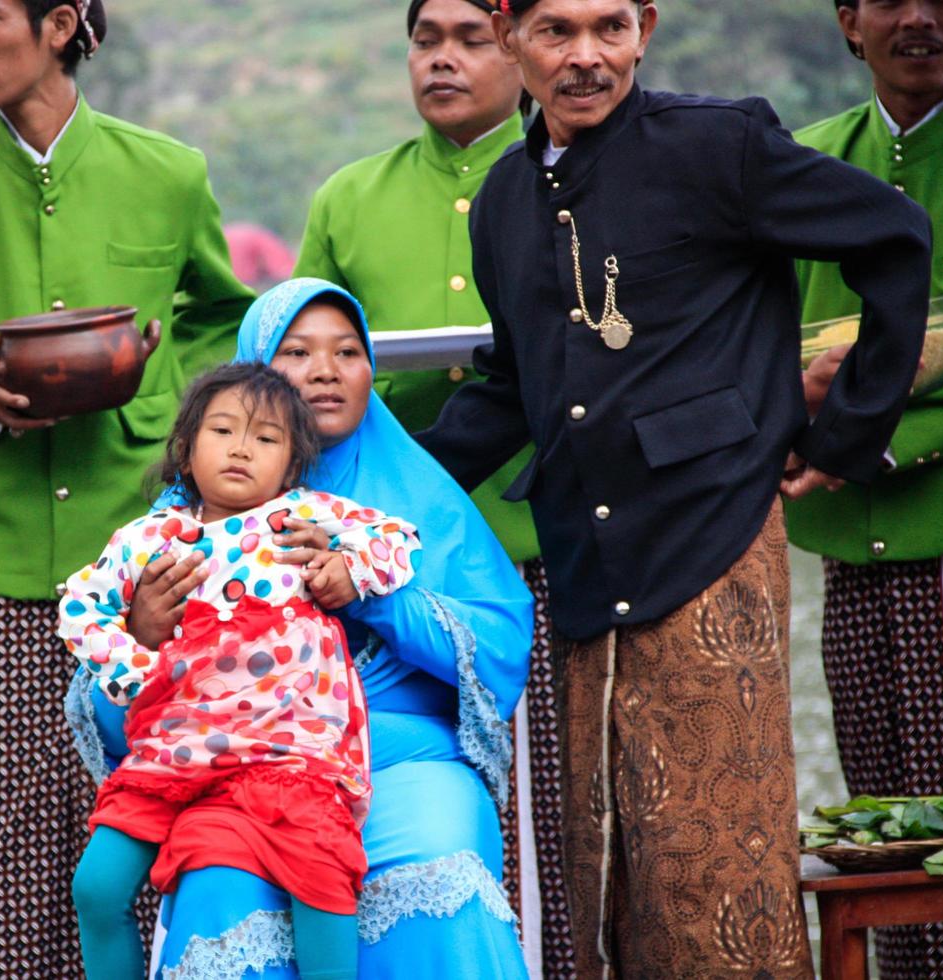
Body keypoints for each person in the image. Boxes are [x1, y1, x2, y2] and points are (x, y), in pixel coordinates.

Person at [416, 0, 935, 973]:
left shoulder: (718, 145)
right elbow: (512, 382)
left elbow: (895, 237)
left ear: (647, 27)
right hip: (582, 565)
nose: (585, 56)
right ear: (507, 28)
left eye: (609, 26)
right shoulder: (504, 203)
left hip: (713, 545)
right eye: (557, 30)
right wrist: (374, 491)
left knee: (718, 869)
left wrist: (846, 432)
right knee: (609, 873)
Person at [0, 1, 254, 974]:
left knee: (159, 855)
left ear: (62, 22)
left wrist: (159, 398)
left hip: (146, 567)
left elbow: (223, 321)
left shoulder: (167, 173)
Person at [70, 278, 533, 978]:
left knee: (444, 869)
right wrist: (148, 633)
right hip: (226, 773)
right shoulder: (180, 523)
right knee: (217, 898)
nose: (324, 370)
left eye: (348, 351)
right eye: (296, 352)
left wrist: (368, 594)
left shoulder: (415, 496)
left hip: (404, 763)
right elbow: (110, 717)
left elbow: (496, 649)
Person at [293, 1, 571, 971]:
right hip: (375, 567)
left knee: (551, 818)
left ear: (520, 49)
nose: (444, 59)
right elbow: (301, 378)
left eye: (471, 38)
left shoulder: (560, 183)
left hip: (538, 544)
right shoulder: (351, 197)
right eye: (426, 39)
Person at [66, 361, 422, 980]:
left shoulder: (300, 519)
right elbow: (80, 606)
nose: (240, 449)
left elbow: (397, 538)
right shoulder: (150, 538)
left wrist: (347, 571)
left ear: (291, 464)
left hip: (289, 753)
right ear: (186, 447)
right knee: (96, 889)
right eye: (223, 430)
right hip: (175, 752)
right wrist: (133, 669)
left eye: (266, 439)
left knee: (320, 879)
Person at [788, 0, 943, 973]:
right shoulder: (802, 164)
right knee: (884, 818)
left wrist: (870, 436)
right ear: (846, 24)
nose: (918, 17)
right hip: (846, 539)